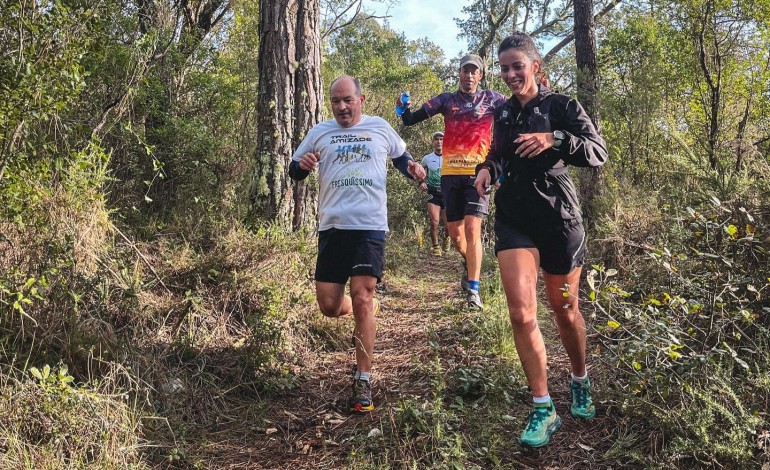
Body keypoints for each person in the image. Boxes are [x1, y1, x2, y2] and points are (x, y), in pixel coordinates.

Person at [473, 32, 608, 447]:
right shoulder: (503, 113)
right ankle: (543, 406)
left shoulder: (562, 106)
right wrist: (487, 170)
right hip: (515, 219)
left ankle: (580, 381)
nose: (511, 74)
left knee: (565, 310)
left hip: (559, 220)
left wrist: (556, 138)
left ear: (536, 67)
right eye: (505, 67)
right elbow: (497, 154)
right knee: (520, 312)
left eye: (518, 66)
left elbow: (597, 150)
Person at [289, 75, 426, 413]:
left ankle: (363, 378)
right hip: (333, 228)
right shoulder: (321, 132)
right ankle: (363, 310)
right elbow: (295, 169)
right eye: (336, 101)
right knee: (330, 306)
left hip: (369, 227)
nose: (342, 107)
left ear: (361, 100)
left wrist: (415, 170)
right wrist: (303, 166)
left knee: (364, 296)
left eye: (348, 100)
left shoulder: (379, 128)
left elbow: (401, 159)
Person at [398, 54, 507, 310]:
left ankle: (473, 290)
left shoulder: (493, 99)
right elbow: (410, 120)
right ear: (459, 73)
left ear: (480, 75)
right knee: (457, 235)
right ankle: (469, 264)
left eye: (474, 71)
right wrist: (402, 109)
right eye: (465, 70)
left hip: (479, 174)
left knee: (472, 229)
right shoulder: (447, 100)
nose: (469, 75)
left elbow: (520, 110)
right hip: (450, 174)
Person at [419, 131, 450, 256]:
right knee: (434, 221)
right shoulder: (427, 158)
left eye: (441, 139)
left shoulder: (449, 157)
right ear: (433, 141)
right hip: (433, 193)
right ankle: (435, 247)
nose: (439, 142)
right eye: (436, 139)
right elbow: (419, 172)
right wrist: (421, 182)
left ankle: (447, 239)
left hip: (447, 194)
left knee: (448, 225)